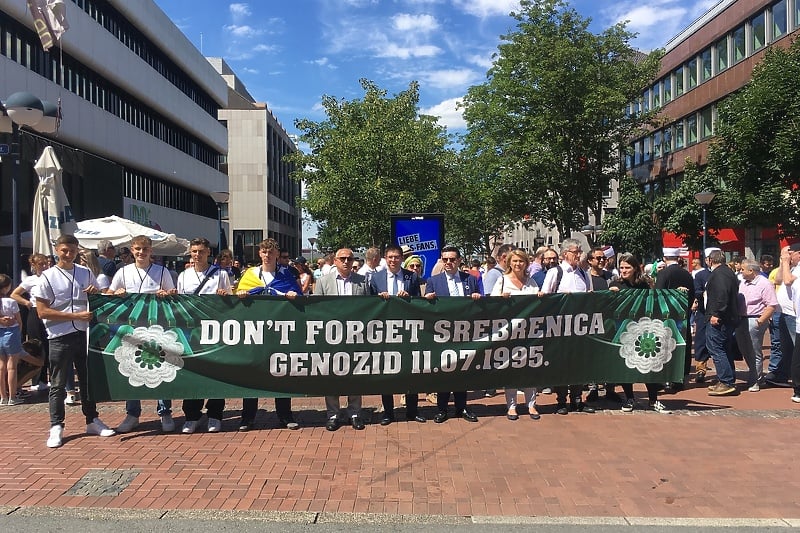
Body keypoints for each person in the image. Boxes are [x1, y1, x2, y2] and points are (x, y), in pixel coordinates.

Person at [32, 234, 115, 448]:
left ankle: (92, 419)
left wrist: (97, 292)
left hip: (85, 335)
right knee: (58, 384)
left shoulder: (86, 273)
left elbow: (99, 296)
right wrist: (75, 316)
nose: (68, 254)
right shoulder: (47, 277)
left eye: (72, 250)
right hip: (59, 336)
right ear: (57, 250)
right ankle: (56, 425)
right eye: (64, 250)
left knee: (87, 381)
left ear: (78, 250)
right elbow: (42, 312)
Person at [107, 235, 176, 433]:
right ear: (132, 250)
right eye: (137, 249)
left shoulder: (162, 272)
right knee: (131, 368)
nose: (141, 252)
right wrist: (116, 293)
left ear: (150, 251)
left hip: (157, 328)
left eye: (145, 249)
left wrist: (167, 294)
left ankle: (165, 412)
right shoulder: (123, 272)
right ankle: (132, 414)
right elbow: (109, 295)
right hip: (130, 329)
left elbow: (174, 296)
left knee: (161, 367)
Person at [236, 238, 303, 431]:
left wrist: (293, 296)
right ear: (260, 254)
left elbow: (298, 297)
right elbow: (238, 297)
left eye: (271, 252)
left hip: (279, 331)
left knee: (281, 372)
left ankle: (285, 415)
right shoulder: (250, 274)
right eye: (264, 252)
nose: (267, 255)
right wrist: (241, 295)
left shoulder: (286, 275)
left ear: (276, 254)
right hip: (255, 331)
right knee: (251, 372)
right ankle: (247, 417)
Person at [176, 238, 232, 434]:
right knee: (192, 371)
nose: (197, 255)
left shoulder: (221, 274)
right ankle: (192, 415)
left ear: (208, 252)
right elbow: (180, 304)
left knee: (217, 372)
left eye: (200, 251)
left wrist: (225, 295)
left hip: (215, 330)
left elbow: (230, 302)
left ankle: (215, 414)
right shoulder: (183, 275)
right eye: (193, 251)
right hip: (191, 331)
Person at [314, 247, 370, 431]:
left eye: (349, 258)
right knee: (332, 376)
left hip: (356, 337)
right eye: (342, 258)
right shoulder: (322, 282)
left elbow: (370, 307)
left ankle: (354, 413)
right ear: (335, 261)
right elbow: (317, 309)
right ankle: (333, 414)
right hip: (332, 337)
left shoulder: (362, 281)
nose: (346, 261)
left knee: (355, 374)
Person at [424, 245, 481, 423]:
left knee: (462, 371)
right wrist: (428, 299)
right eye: (445, 259)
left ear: (459, 260)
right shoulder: (434, 280)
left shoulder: (470, 279)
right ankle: (442, 409)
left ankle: (462, 407)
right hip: (443, 333)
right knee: (444, 371)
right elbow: (426, 306)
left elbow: (482, 302)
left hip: (465, 332)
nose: (448, 262)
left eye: (452, 259)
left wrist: (478, 298)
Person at [538, 238, 596, 415]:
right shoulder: (555, 272)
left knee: (579, 364)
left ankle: (577, 399)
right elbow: (545, 297)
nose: (579, 255)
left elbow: (590, 297)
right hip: (559, 327)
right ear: (565, 254)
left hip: (580, 327)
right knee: (562, 365)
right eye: (575, 252)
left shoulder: (585, 274)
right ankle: (561, 400)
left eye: (580, 251)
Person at [609, 253, 671, 413]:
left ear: (635, 268)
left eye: (627, 267)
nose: (623, 270)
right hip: (624, 330)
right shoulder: (616, 284)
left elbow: (657, 299)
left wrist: (678, 292)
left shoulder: (644, 284)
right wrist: (611, 293)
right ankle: (630, 398)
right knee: (626, 365)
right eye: (621, 267)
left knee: (648, 365)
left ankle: (653, 400)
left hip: (644, 329)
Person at [370, 245, 424, 425]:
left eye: (397, 257)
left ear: (402, 259)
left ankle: (412, 410)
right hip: (385, 331)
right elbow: (368, 304)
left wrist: (409, 297)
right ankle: (388, 412)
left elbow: (419, 302)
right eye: (390, 257)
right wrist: (378, 298)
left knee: (411, 370)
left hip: (408, 330)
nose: (393, 260)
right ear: (385, 258)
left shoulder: (411, 277)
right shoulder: (376, 278)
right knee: (387, 372)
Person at [489, 249, 541, 420]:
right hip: (509, 332)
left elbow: (539, 305)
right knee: (510, 367)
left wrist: (541, 297)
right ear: (509, 263)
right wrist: (500, 299)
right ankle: (511, 406)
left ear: (526, 263)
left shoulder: (531, 282)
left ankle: (531, 404)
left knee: (530, 368)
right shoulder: (502, 280)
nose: (518, 264)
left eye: (521, 261)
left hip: (529, 332)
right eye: (515, 261)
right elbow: (491, 303)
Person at [655, 248, 695, 390]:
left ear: (665, 258)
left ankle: (666, 376)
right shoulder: (687, 274)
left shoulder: (663, 274)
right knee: (684, 343)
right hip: (684, 315)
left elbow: (658, 294)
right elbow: (692, 295)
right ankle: (681, 376)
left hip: (667, 316)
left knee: (666, 345)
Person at [735, 259, 777, 392]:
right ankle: (754, 374)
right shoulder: (742, 282)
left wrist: (760, 320)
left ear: (751, 271)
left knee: (754, 351)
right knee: (744, 349)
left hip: (755, 319)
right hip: (741, 319)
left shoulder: (764, 283)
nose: (741, 271)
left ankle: (755, 380)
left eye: (743, 269)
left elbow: (772, 304)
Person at [11, 253, 51, 390]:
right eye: (41, 264)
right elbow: (14, 294)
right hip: (35, 311)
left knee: (50, 344)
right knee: (37, 345)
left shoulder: (52, 277)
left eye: (46, 263)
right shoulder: (30, 280)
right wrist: (26, 302)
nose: (44, 266)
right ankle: (38, 380)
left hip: (49, 311)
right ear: (33, 265)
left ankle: (51, 377)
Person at [704, 249, 740, 396]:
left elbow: (722, 294)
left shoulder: (719, 274)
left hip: (720, 318)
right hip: (727, 317)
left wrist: (716, 313)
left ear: (711, 260)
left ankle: (726, 381)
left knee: (716, 347)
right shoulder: (727, 272)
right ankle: (727, 379)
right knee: (724, 348)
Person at [0, 274, 24, 405]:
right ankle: (12, 396)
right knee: (12, 367)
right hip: (12, 332)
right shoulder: (11, 302)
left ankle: (2, 396)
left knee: (1, 366)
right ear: (7, 287)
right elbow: (19, 321)